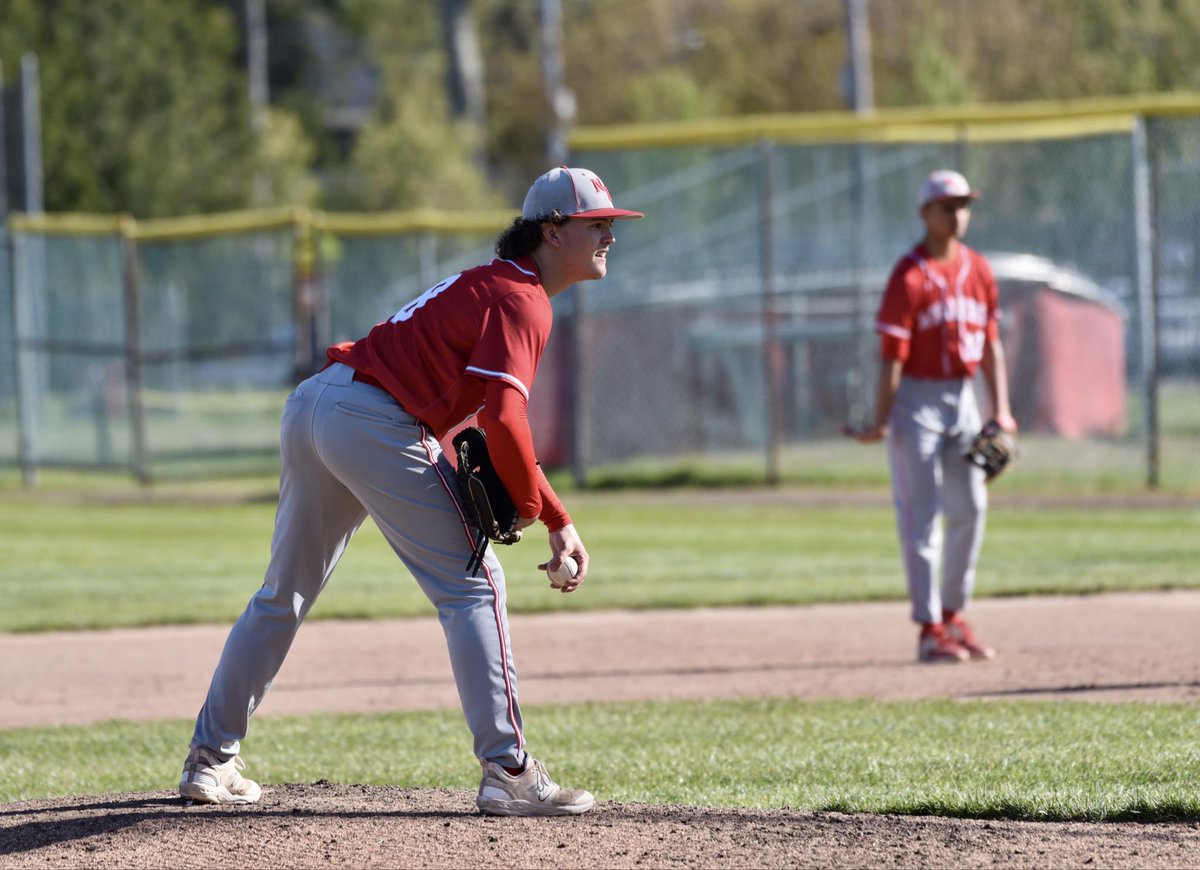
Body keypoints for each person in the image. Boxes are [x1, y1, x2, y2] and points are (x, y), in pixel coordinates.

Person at [178, 166, 643, 815]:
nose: (609, 238)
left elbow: (488, 417)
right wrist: (532, 513)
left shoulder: (494, 284)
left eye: (611, 226)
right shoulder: (523, 298)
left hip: (318, 404)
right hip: (374, 421)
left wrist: (556, 518)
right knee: (475, 584)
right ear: (552, 230)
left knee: (281, 595)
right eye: (598, 225)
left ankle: (210, 759)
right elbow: (504, 421)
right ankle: (509, 772)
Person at [845, 169, 1016, 664]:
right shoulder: (909, 274)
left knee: (972, 508)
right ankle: (928, 629)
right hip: (915, 400)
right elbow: (892, 359)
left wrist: (1001, 411)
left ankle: (953, 613)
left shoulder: (979, 270)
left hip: (963, 396)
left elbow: (991, 346)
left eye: (964, 205)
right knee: (922, 518)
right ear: (925, 213)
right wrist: (880, 421)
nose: (958, 214)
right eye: (947, 206)